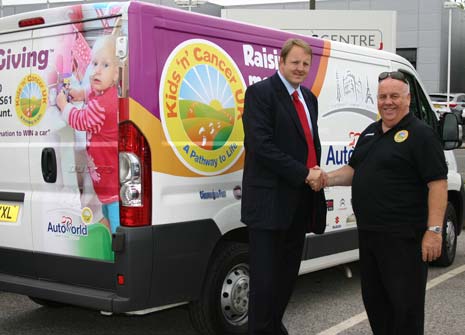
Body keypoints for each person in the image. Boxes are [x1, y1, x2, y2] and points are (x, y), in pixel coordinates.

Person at [322, 71, 447, 335]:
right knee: (376, 304)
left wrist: (434, 232)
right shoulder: (371, 131)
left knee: (405, 309)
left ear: (408, 99)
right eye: (382, 97)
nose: (387, 102)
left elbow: (437, 184)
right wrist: (325, 178)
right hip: (370, 236)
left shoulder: (421, 135)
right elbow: (353, 171)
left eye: (394, 96)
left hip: (404, 239)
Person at [241, 38, 326, 335]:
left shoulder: (309, 98)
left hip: (300, 202)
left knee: (287, 277)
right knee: (264, 282)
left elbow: (308, 144)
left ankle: (273, 328)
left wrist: (313, 175)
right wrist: (304, 173)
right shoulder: (260, 94)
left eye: (306, 63)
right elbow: (260, 147)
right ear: (281, 62)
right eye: (295, 62)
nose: (300, 68)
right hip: (268, 205)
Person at [57, 34, 120, 234]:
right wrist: (80, 93)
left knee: (116, 228)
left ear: (117, 75)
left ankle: (117, 254)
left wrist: (64, 105)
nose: (97, 70)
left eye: (105, 65)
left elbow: (81, 120)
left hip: (111, 182)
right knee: (108, 215)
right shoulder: (104, 91)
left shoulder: (104, 106)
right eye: (94, 63)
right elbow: (90, 91)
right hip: (105, 178)